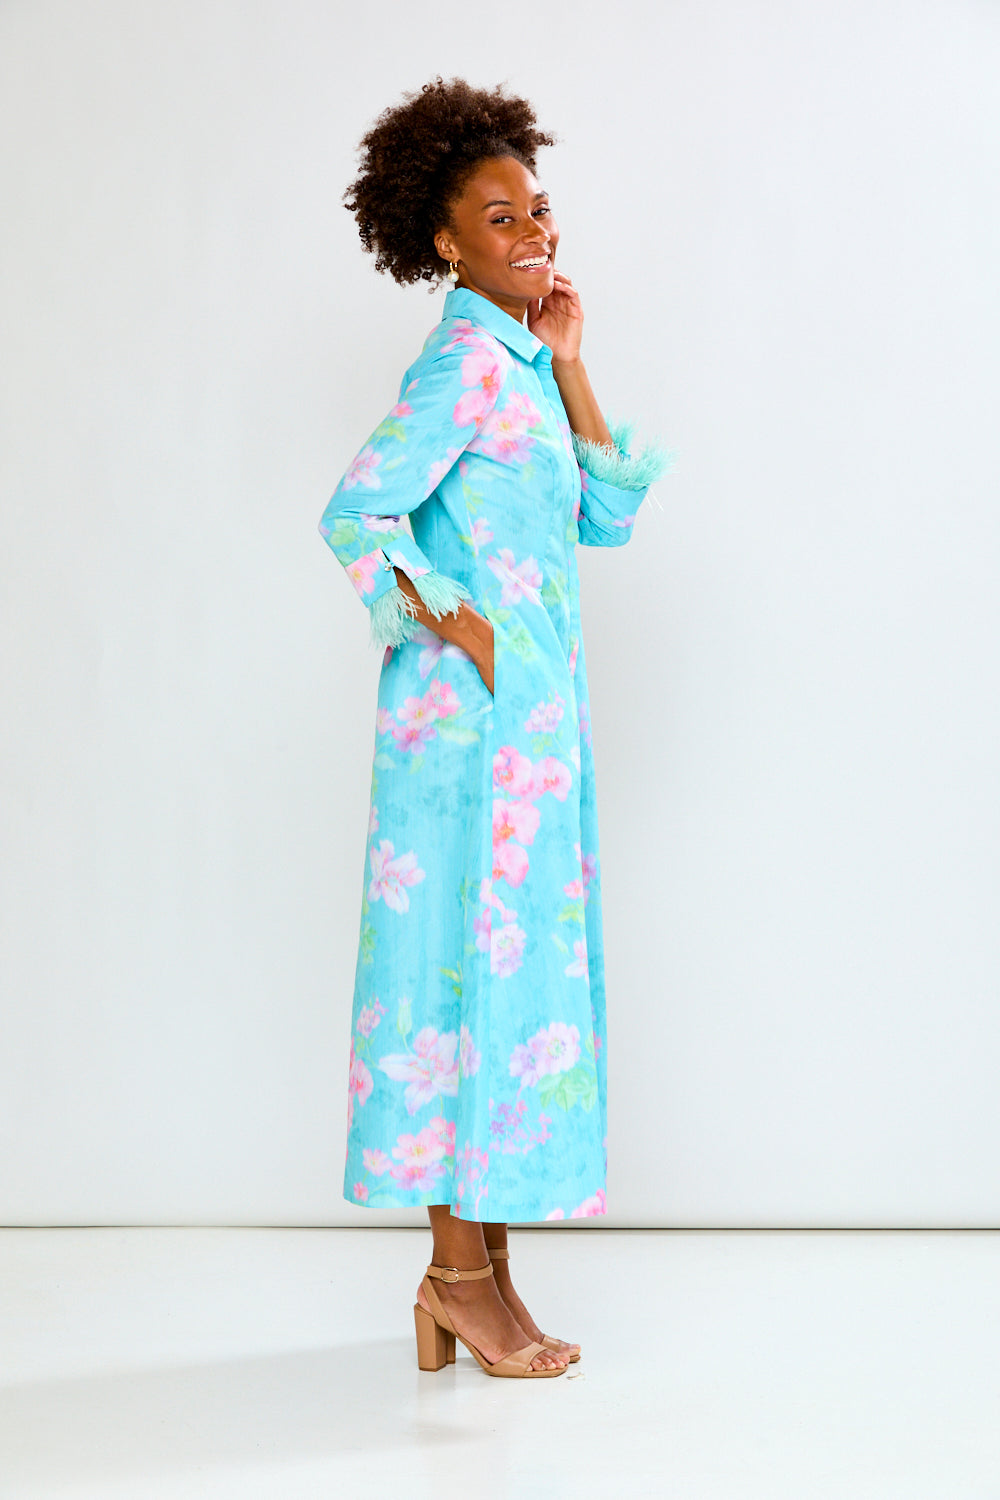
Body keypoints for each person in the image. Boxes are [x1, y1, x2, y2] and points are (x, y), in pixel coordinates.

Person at [319, 77, 671, 1379]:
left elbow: (608, 517)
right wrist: (457, 623)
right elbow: (357, 514)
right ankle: (458, 1279)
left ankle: (483, 1274)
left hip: (528, 745)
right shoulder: (459, 365)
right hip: (464, 749)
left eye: (540, 208)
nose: (534, 230)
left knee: (508, 999)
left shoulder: (519, 363)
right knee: (463, 999)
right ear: (444, 243)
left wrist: (574, 362)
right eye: (499, 214)